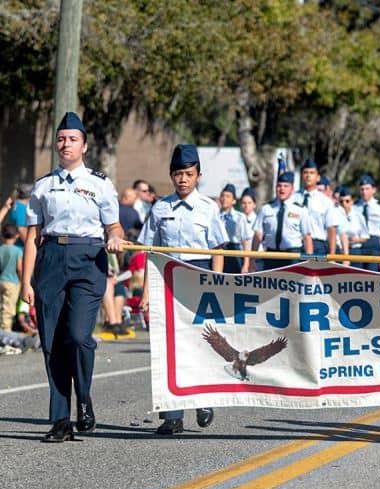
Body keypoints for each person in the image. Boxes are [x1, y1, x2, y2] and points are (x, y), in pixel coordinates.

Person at [21, 112, 126, 442]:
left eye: (72, 139)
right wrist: (26, 281)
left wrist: (115, 237)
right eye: (61, 138)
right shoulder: (42, 187)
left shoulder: (100, 184)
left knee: (79, 337)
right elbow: (32, 236)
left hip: (87, 259)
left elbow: (114, 225)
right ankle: (60, 420)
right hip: (51, 259)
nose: (65, 144)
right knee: (52, 343)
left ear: (84, 145)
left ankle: (84, 395)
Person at [138, 143, 228, 435]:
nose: (183, 180)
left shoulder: (208, 207)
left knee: (200, 342)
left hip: (199, 278)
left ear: (198, 175)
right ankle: (171, 415)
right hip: (167, 278)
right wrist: (146, 292)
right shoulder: (161, 207)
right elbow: (151, 251)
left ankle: (203, 400)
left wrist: (218, 283)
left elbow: (218, 249)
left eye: (188, 174)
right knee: (167, 347)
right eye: (177, 174)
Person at [251, 171, 313, 270]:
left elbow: (307, 237)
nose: (282, 189)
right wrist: (252, 259)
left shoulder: (300, 210)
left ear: (292, 189)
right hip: (271, 254)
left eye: (285, 186)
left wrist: (310, 262)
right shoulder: (266, 208)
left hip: (292, 255)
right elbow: (258, 234)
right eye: (279, 186)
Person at [292, 159, 343, 256]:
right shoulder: (293, 199)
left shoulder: (325, 201)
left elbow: (331, 229)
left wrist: (332, 255)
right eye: (305, 172)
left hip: (318, 245)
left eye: (312, 173)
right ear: (302, 176)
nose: (308, 176)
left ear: (318, 177)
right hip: (297, 245)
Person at [355, 175, 380, 271]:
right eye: (362, 189)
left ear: (374, 190)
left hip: (374, 243)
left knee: (371, 277)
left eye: (367, 189)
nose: (364, 192)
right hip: (358, 244)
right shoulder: (354, 207)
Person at [218, 184, 253, 274]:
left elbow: (245, 243)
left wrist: (246, 264)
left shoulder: (239, 217)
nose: (224, 198)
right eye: (222, 196)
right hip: (219, 251)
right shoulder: (216, 216)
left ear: (234, 201)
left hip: (234, 253)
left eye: (228, 196)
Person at [0, 224, 22, 332]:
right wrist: (23, 281)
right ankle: (6, 332)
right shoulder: (17, 251)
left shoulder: (1, 249)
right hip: (12, 282)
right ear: (17, 236)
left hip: (1, 280)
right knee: (8, 309)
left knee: (1, 306)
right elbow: (19, 268)